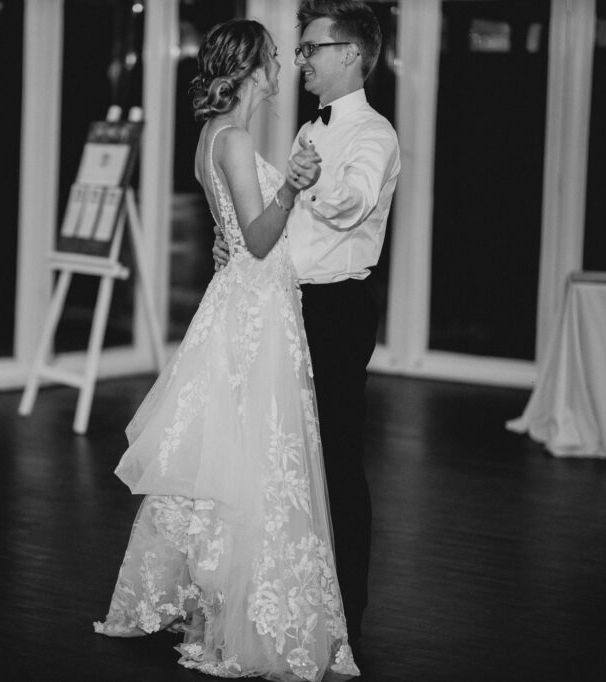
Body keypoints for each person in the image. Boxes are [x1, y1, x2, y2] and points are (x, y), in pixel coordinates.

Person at [94, 18, 360, 682]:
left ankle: (209, 593)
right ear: (249, 70)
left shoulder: (211, 137)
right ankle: (243, 610)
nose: (280, 69)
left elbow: (232, 234)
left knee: (222, 456)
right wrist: (294, 186)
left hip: (242, 302)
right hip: (257, 313)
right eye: (273, 59)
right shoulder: (235, 138)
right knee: (253, 459)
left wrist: (247, 231)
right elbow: (261, 238)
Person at [213, 0, 401, 651]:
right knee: (292, 461)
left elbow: (351, 204)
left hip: (339, 312)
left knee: (339, 460)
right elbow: (282, 222)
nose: (302, 62)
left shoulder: (374, 135)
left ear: (350, 53)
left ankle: (347, 611)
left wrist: (313, 183)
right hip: (293, 307)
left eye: (313, 48)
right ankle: (299, 601)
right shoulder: (306, 130)